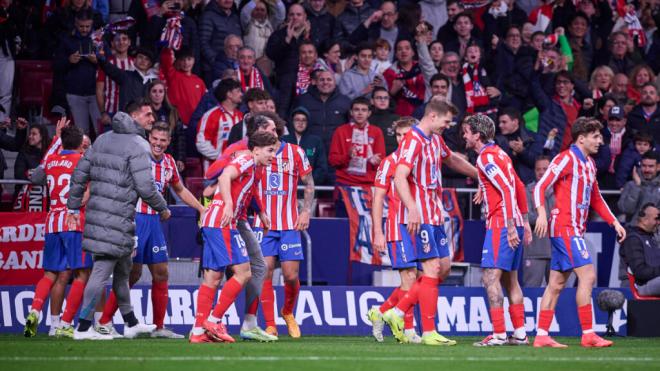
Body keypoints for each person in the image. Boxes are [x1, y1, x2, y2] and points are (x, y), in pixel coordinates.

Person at [66, 99, 170, 340]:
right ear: (134, 117)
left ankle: (131, 323)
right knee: (102, 270)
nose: (152, 120)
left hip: (101, 215)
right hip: (116, 218)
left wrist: (73, 207)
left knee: (123, 271)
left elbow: (80, 174)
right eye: (147, 115)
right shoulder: (138, 145)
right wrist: (163, 208)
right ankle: (82, 327)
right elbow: (146, 187)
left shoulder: (102, 139)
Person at [95, 122, 205, 339]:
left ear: (168, 142)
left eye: (163, 140)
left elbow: (180, 189)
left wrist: (201, 208)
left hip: (154, 222)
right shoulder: (135, 157)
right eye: (155, 139)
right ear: (148, 138)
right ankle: (104, 322)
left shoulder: (169, 163)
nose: (158, 144)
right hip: (133, 220)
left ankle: (159, 327)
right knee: (131, 274)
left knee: (162, 272)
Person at [382, 99, 478, 346]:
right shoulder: (412, 140)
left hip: (436, 215)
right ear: (433, 116)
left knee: (444, 268)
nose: (448, 126)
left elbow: (452, 160)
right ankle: (429, 332)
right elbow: (400, 177)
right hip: (421, 216)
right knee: (432, 269)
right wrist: (412, 207)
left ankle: (398, 310)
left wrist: (480, 175)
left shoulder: (435, 139)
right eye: (446, 121)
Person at [532, 117, 626, 348]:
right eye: (595, 137)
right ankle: (588, 334)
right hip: (565, 226)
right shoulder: (566, 158)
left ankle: (542, 335)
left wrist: (614, 222)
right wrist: (541, 212)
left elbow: (596, 198)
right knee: (588, 276)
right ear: (581, 138)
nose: (600, 141)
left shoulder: (590, 164)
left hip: (573, 228)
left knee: (556, 283)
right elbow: (540, 186)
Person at [190, 131, 278, 343]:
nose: (273, 155)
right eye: (270, 151)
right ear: (256, 150)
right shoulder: (247, 159)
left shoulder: (256, 167)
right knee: (244, 272)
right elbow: (224, 176)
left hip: (214, 221)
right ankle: (214, 320)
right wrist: (229, 203)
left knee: (213, 277)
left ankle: (198, 333)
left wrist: (262, 213)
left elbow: (251, 191)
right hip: (223, 221)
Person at [462, 114, 532, 346]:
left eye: (466, 132)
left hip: (502, 224)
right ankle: (520, 333)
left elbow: (507, 190)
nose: (464, 136)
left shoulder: (485, 158)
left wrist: (511, 227)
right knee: (511, 281)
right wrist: (525, 222)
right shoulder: (500, 153)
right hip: (514, 222)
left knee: (490, 277)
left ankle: (499, 333)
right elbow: (518, 185)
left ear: (477, 135)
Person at [23, 124, 91, 338]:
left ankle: (36, 311)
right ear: (81, 143)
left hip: (52, 221)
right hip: (73, 221)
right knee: (82, 274)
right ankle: (65, 322)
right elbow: (86, 193)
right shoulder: (82, 162)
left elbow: (35, 176)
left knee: (51, 273)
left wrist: (54, 141)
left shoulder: (51, 161)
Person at [254, 120, 315, 339]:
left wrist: (306, 210)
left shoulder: (295, 152)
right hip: (264, 223)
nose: (266, 132)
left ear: (277, 130)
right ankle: (270, 325)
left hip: (289, 223)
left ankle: (287, 311)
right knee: (265, 271)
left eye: (269, 128)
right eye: (261, 129)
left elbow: (309, 183)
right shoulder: (255, 153)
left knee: (291, 275)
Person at [368, 117, 421, 344]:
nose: (402, 139)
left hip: (421, 226)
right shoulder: (388, 162)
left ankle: (381, 312)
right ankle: (408, 330)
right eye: (398, 135)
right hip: (397, 226)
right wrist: (378, 232)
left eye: (406, 135)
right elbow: (377, 198)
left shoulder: (423, 161)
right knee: (409, 278)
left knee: (418, 278)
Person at [54, 10, 101, 136]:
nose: (85, 29)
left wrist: (98, 60)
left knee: (100, 131)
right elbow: (57, 65)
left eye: (87, 26)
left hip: (97, 93)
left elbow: (109, 62)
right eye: (81, 26)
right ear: (75, 23)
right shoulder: (66, 40)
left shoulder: (99, 39)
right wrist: (69, 60)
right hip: (75, 93)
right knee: (82, 133)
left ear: (92, 24)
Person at [328, 97, 386, 187]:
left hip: (369, 183)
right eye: (356, 110)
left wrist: (375, 161)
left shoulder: (376, 132)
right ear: (351, 112)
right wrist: (348, 156)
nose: (360, 113)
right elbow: (332, 160)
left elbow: (381, 161)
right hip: (345, 182)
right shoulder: (340, 131)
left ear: (369, 113)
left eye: (364, 110)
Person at [196, 79, 244, 171]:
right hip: (214, 172)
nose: (241, 94)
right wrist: (221, 157)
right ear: (229, 94)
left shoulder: (241, 116)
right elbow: (201, 142)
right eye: (238, 91)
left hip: (236, 171)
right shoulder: (211, 115)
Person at [523, 156, 554, 287]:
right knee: (531, 291)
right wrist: (547, 218)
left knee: (559, 293)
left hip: (557, 250)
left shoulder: (559, 190)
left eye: (545, 169)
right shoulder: (528, 191)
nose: (541, 172)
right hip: (535, 250)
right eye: (538, 169)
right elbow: (526, 216)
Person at [160, 47, 207, 129]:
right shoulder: (173, 75)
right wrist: (168, 47)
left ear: (194, 60)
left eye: (189, 59)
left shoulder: (199, 81)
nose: (186, 63)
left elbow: (204, 103)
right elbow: (165, 61)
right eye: (182, 60)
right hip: (177, 124)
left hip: (196, 124)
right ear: (178, 61)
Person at [96, 30, 134, 131]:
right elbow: (99, 90)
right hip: (110, 113)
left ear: (129, 42)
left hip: (131, 114)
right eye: (117, 40)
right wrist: (103, 113)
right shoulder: (105, 64)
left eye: (124, 39)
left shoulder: (135, 63)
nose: (121, 42)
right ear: (112, 43)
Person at [495, 107, 543, 184]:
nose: (500, 125)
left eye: (504, 122)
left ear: (515, 122)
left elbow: (538, 161)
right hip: (506, 185)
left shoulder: (532, 138)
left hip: (528, 185)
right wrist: (511, 151)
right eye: (499, 122)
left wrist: (522, 151)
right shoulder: (496, 140)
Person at [620, 204, 660, 296]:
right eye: (656, 219)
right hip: (642, 286)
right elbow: (640, 272)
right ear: (644, 220)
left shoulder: (653, 238)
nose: (659, 222)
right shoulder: (632, 239)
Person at [282, 106, 328, 186]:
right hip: (286, 190)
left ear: (308, 122)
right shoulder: (283, 141)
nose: (300, 123)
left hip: (309, 191)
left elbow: (321, 168)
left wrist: (309, 181)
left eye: (304, 120)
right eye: (297, 120)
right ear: (292, 121)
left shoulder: (316, 141)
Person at [618, 152, 660, 225]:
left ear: (658, 167)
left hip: (657, 233)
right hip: (634, 231)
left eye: (651, 166)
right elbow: (626, 209)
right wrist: (636, 186)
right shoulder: (631, 185)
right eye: (644, 166)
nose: (647, 170)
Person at [369, 87, 399, 154]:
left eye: (386, 98)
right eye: (379, 98)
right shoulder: (366, 120)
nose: (383, 100)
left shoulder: (397, 119)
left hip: (393, 159)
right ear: (372, 101)